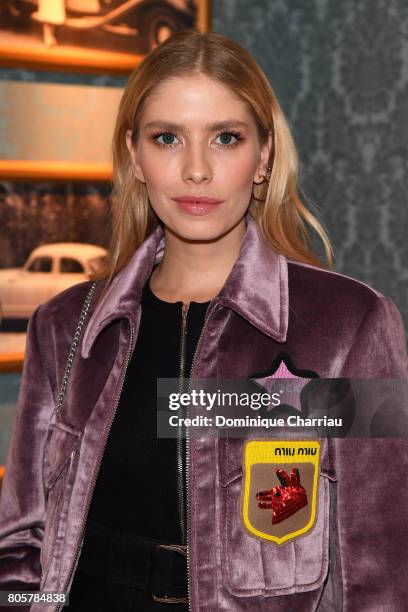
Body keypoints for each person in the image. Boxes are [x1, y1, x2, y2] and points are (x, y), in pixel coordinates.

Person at [0, 29, 407, 612]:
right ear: (135, 156)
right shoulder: (65, 326)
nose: (196, 170)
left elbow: (382, 570)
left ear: (262, 157)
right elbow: (20, 550)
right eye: (167, 138)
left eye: (225, 138)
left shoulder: (349, 327)